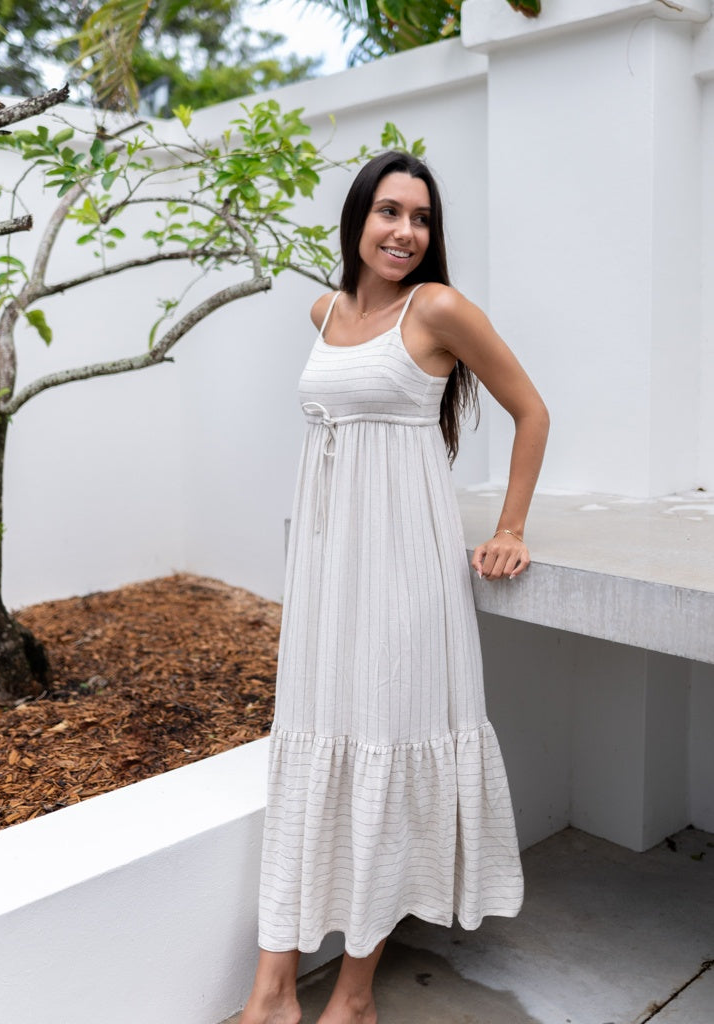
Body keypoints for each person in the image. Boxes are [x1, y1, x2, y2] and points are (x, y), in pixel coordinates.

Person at [238, 150, 550, 1024]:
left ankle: (354, 993)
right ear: (357, 220)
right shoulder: (323, 308)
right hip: (329, 570)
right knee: (309, 744)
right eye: (388, 212)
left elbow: (533, 410)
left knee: (379, 743)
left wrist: (512, 527)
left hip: (405, 566)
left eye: (420, 218)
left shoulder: (439, 309)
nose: (405, 231)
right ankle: (270, 991)